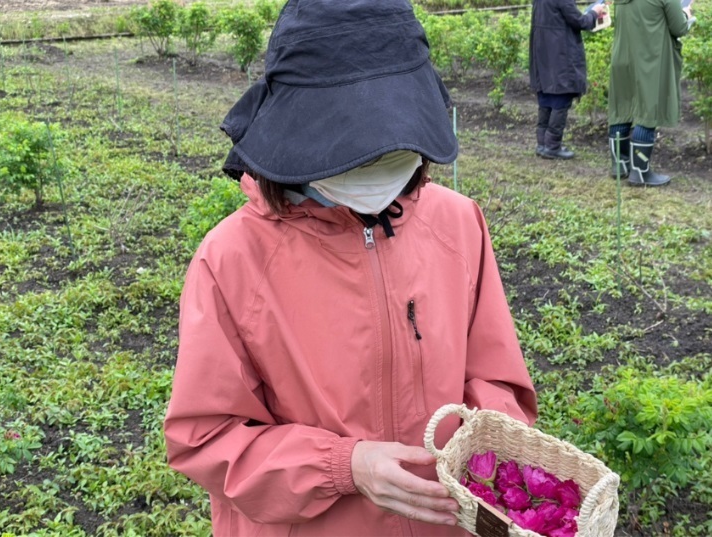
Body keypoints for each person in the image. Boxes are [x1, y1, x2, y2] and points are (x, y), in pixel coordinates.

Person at [163, 1, 537, 536]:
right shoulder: (231, 260)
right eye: (354, 152)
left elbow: (498, 378)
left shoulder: (457, 224)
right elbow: (207, 436)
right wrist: (343, 466)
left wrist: (481, 446)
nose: (378, 165)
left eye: (393, 146)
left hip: (446, 521)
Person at [608, 0, 695, 186]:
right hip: (649, 59)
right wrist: (686, 13)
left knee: (622, 109)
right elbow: (679, 28)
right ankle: (640, 173)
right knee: (648, 112)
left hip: (622, 57)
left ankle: (620, 165)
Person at [529, 0, 606, 159]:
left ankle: (542, 144)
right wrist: (594, 12)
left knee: (546, 98)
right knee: (560, 99)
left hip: (544, 51)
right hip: (560, 53)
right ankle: (552, 146)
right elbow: (580, 22)